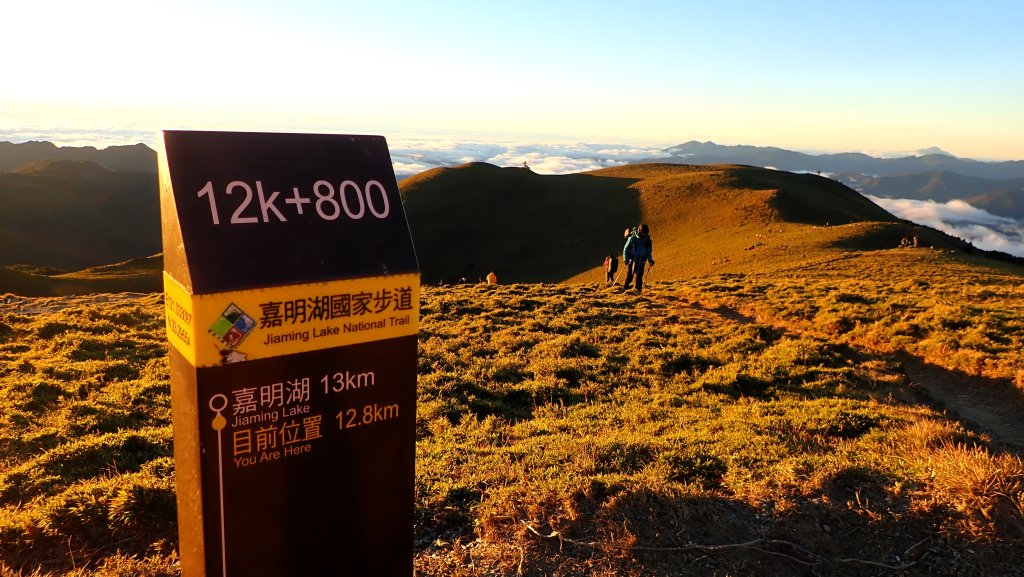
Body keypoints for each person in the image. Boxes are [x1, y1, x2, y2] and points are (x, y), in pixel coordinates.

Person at [630, 224, 654, 293]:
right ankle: (627, 288)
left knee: (639, 275)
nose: (645, 235)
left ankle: (638, 290)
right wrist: (627, 258)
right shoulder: (634, 238)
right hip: (634, 260)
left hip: (642, 261)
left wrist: (650, 260)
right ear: (640, 231)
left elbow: (649, 252)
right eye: (643, 233)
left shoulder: (647, 241)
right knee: (631, 275)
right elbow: (628, 248)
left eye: (645, 233)